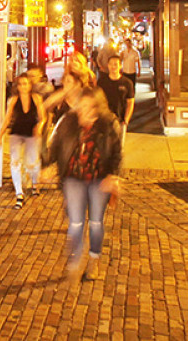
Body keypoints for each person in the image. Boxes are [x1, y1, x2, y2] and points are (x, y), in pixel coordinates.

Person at [49, 87, 122, 282]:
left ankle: (94, 259)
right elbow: (56, 146)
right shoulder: (68, 122)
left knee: (96, 222)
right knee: (75, 222)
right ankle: (74, 258)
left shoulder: (107, 125)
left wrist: (113, 176)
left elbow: (116, 153)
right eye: (82, 106)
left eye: (90, 107)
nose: (85, 111)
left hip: (99, 179)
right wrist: (46, 164)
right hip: (73, 177)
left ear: (98, 108)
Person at [0, 73, 46, 209]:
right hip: (17, 133)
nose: (23, 87)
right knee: (15, 162)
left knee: (33, 162)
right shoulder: (13, 100)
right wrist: (0, 134)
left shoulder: (36, 98)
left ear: (30, 85)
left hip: (31, 133)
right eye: (20, 84)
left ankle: (35, 184)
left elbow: (43, 117)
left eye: (25, 84)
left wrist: (39, 127)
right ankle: (19, 194)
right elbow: (7, 118)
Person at [99, 54, 135, 146]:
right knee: (104, 146)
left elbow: (130, 102)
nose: (113, 67)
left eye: (116, 64)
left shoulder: (127, 83)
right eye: (111, 64)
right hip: (104, 119)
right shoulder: (102, 82)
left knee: (118, 147)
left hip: (120, 120)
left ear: (120, 66)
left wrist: (126, 120)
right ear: (107, 65)